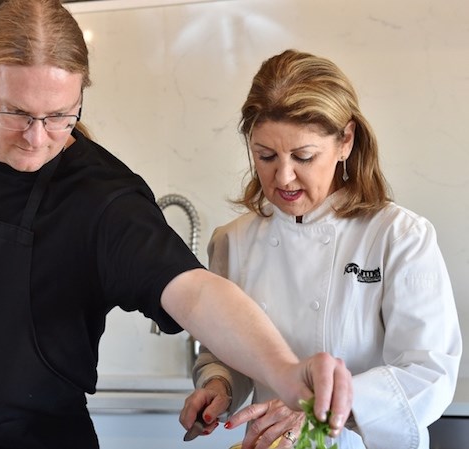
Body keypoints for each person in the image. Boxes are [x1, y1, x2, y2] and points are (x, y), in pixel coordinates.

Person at [0, 3, 352, 447]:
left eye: (60, 115)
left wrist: (284, 373)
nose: (37, 138)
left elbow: (195, 292)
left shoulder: (104, 200)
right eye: (15, 113)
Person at [179, 49, 462, 449]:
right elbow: (226, 352)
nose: (284, 176)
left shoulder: (399, 236)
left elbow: (428, 372)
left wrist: (317, 406)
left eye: (303, 156)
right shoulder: (233, 241)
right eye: (266, 156)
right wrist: (219, 384)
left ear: (345, 140)